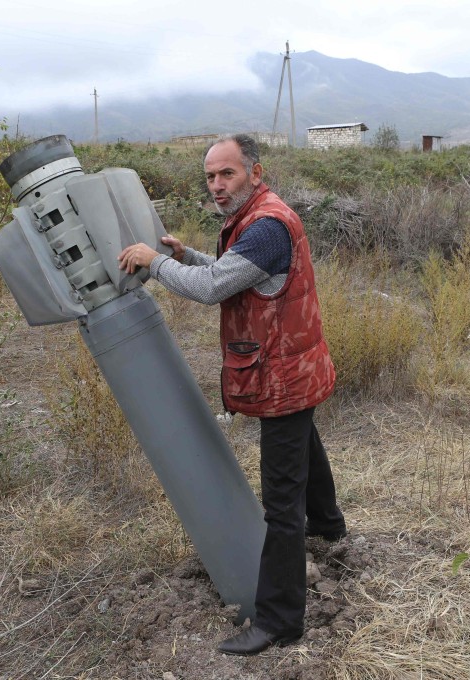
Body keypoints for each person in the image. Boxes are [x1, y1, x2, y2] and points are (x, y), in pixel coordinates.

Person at [117, 133, 346, 656]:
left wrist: (155, 262)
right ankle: (331, 528)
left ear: (255, 173)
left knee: (281, 506)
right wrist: (186, 254)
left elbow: (212, 288)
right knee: (302, 441)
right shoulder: (260, 219)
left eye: (228, 174)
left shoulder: (266, 227)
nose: (217, 186)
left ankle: (280, 621)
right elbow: (238, 274)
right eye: (210, 177)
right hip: (298, 366)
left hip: (283, 376)